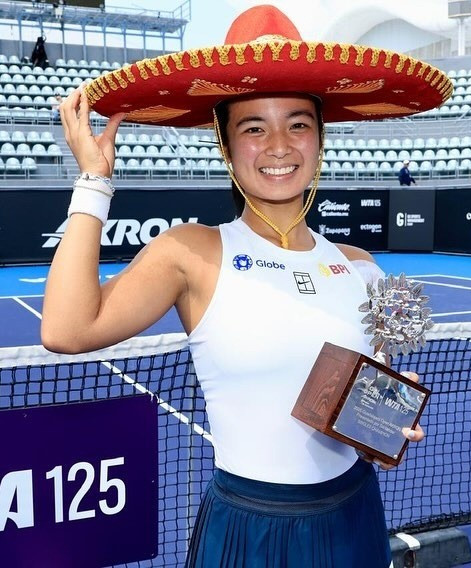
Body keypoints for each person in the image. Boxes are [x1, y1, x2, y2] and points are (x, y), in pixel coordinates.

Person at [42, 5, 450, 567]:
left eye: (298, 124)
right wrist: (94, 181)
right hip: (249, 529)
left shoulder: (362, 267)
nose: (279, 145)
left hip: (354, 519)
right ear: (226, 144)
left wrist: (385, 429)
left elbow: (370, 403)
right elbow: (66, 330)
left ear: (320, 138)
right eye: (254, 128)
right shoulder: (190, 252)